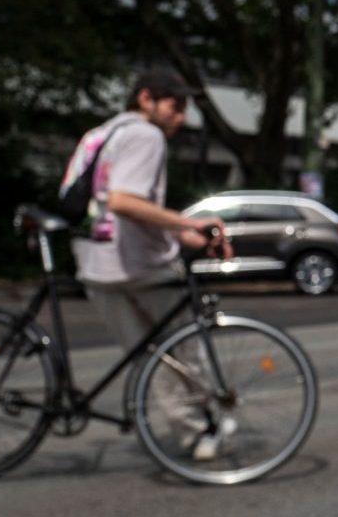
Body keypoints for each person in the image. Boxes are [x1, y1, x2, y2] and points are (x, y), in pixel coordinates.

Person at [61, 67, 232, 458]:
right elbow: (124, 202)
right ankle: (200, 432)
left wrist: (180, 234)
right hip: (140, 267)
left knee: (151, 357)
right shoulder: (145, 134)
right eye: (175, 106)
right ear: (146, 99)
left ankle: (193, 429)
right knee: (182, 351)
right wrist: (191, 224)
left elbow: (115, 208)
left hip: (94, 265)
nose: (181, 117)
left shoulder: (99, 135)